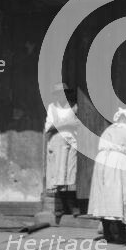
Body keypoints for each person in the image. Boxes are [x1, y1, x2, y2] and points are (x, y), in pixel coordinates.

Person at [88, 108, 126, 244]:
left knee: (104, 195)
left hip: (101, 161)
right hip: (119, 162)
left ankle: (107, 234)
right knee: (121, 195)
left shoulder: (108, 130)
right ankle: (122, 234)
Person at [44, 83, 80, 216]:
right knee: (58, 174)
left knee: (70, 173)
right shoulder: (52, 108)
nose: (62, 95)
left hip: (71, 142)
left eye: (64, 92)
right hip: (57, 142)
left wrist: (70, 125)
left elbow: (79, 124)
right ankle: (60, 207)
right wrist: (66, 124)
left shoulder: (74, 107)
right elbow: (49, 127)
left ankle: (73, 206)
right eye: (59, 93)